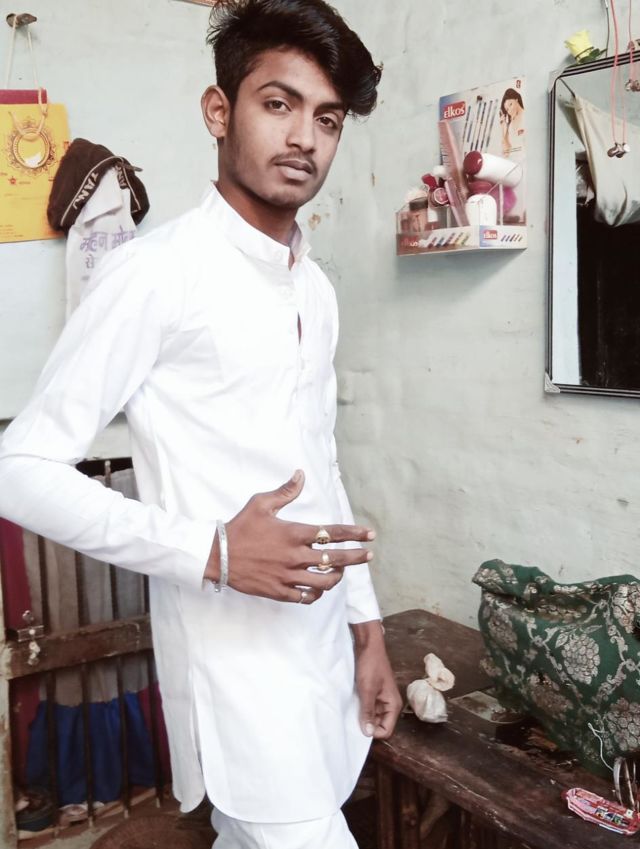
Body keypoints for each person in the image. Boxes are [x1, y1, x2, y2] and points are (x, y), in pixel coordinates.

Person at [0, 1, 403, 847]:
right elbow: (20, 469)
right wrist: (211, 550)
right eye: (278, 103)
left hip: (323, 656)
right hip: (238, 680)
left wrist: (367, 633)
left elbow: (321, 461)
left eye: (327, 118)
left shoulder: (315, 287)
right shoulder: (155, 275)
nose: (304, 138)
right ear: (219, 111)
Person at [499, 87, 525, 156]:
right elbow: (506, 153)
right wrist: (503, 126)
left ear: (516, 99)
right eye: (507, 109)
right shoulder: (510, 126)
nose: (510, 110)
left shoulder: (526, 115)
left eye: (510, 104)